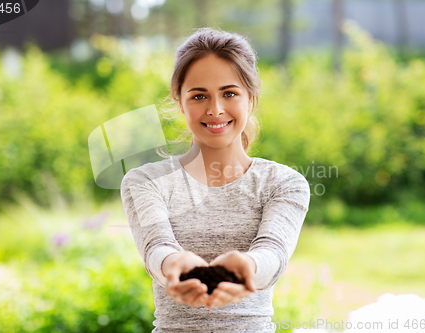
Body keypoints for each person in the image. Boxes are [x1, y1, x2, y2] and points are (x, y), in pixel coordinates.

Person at [120, 27, 311, 333]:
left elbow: (273, 253)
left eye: (229, 93)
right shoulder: (145, 181)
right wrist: (175, 264)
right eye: (199, 96)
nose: (215, 109)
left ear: (251, 98)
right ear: (180, 102)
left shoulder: (285, 183)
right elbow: (156, 248)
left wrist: (247, 268)